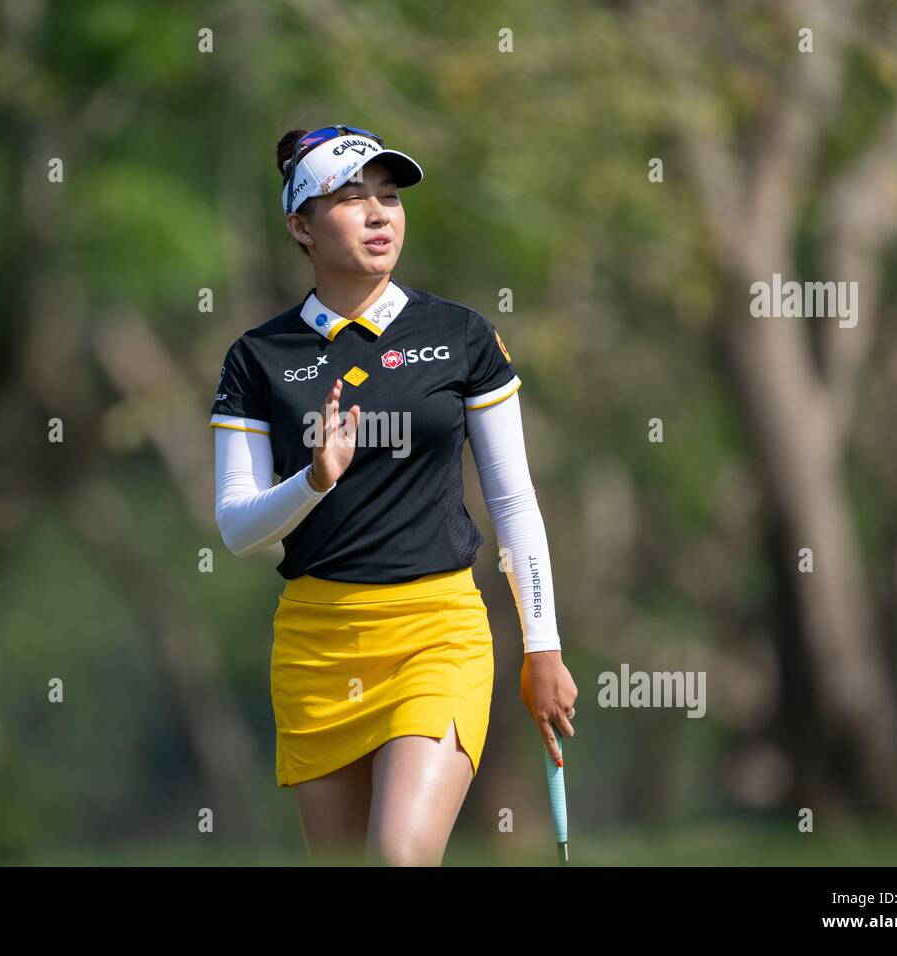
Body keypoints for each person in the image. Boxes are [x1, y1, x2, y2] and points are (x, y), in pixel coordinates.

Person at [209, 123, 577, 866]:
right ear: (300, 227)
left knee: (400, 857)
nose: (381, 215)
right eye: (351, 200)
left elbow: (512, 501)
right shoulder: (258, 358)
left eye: (389, 198)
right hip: (317, 645)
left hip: (436, 633)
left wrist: (542, 645)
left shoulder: (461, 335)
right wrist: (312, 481)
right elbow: (238, 529)